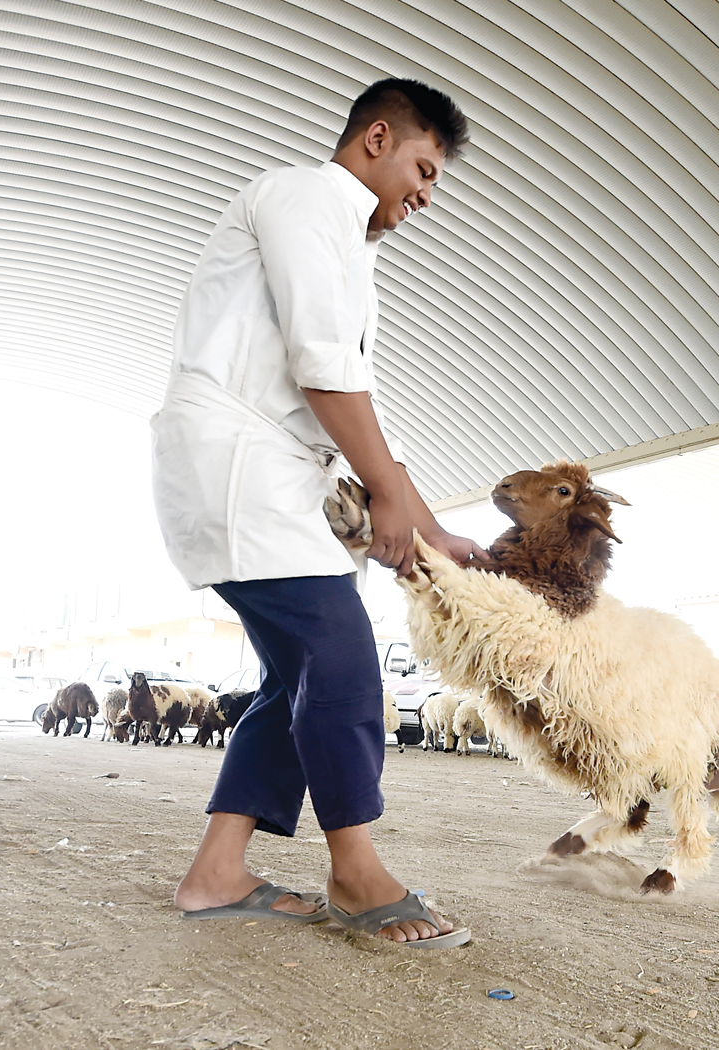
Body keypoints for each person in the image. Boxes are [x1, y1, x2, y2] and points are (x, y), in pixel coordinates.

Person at [150, 78, 486, 947]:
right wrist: (386, 499)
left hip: (274, 476)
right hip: (240, 469)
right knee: (338, 659)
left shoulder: (349, 246)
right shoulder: (303, 196)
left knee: (292, 681)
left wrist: (430, 528)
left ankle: (216, 874)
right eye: (423, 169)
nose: (427, 194)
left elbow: (357, 400)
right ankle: (356, 872)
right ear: (376, 139)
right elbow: (321, 369)